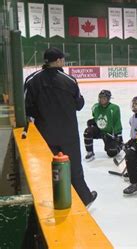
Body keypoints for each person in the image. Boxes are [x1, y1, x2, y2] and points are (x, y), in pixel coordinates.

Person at [24, 47, 96, 206]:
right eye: (62, 59)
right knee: (74, 167)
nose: (63, 61)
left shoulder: (31, 80)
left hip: (45, 132)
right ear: (57, 61)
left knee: (50, 167)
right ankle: (84, 198)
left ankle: (53, 199)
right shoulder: (69, 80)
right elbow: (79, 104)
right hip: (68, 133)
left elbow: (27, 107)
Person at [83, 90, 123, 161]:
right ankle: (90, 152)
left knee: (111, 153)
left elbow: (117, 122)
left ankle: (120, 145)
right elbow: (97, 117)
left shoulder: (114, 108)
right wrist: (93, 121)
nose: (102, 100)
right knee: (87, 132)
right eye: (100, 97)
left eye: (104, 98)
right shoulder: (95, 107)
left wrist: (118, 135)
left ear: (108, 99)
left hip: (109, 133)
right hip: (100, 130)